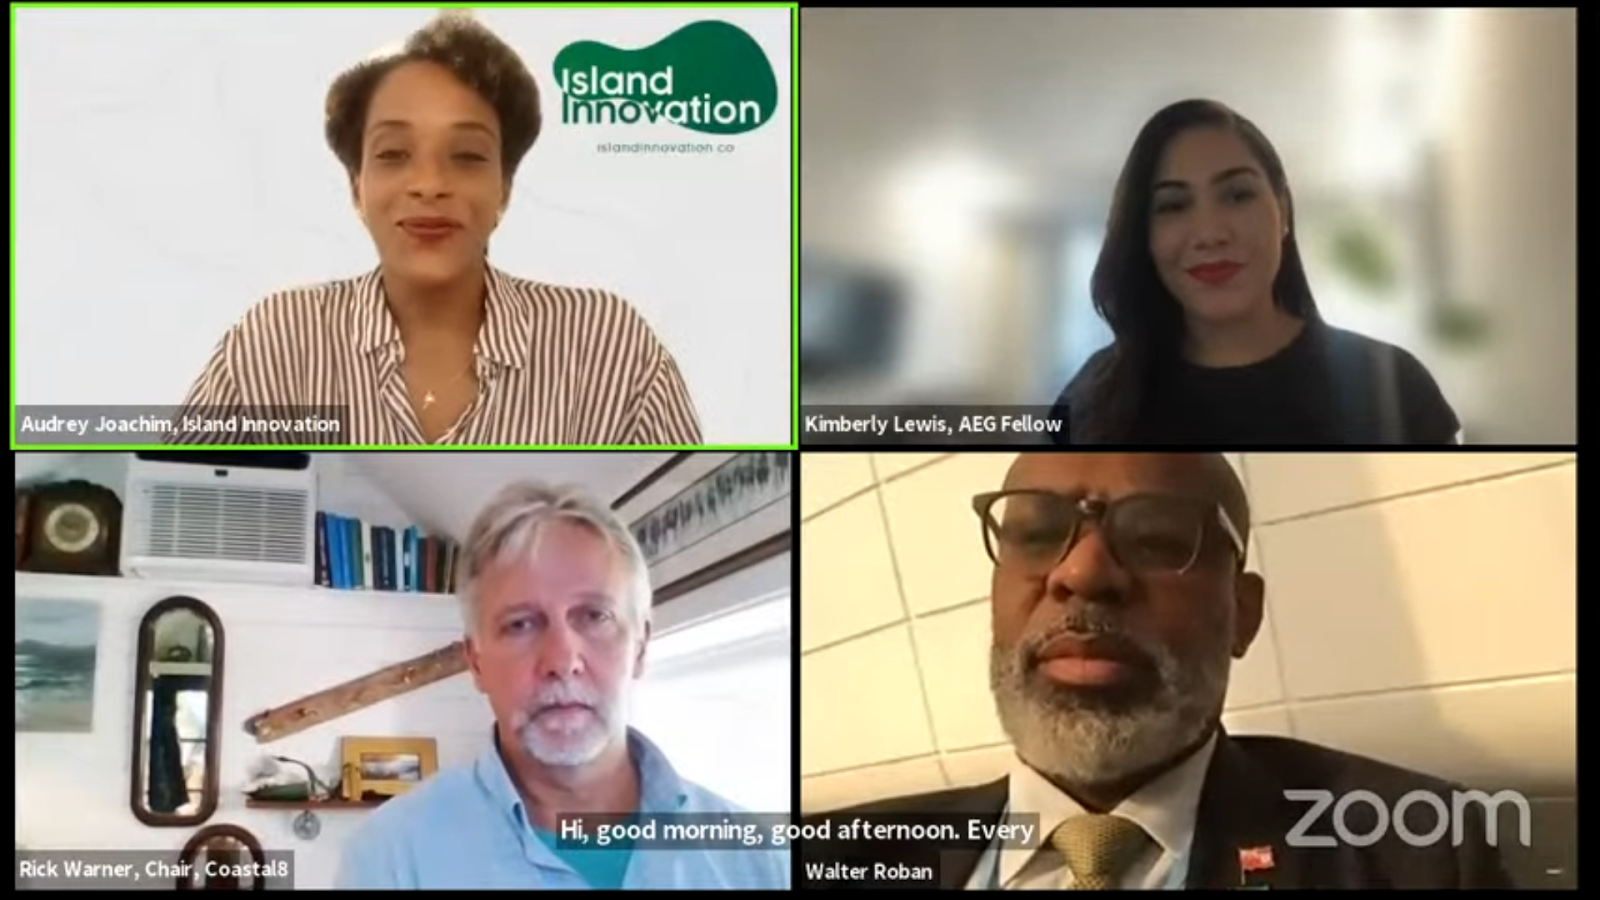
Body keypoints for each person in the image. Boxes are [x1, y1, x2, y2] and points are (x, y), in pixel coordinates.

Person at [799, 452, 1511, 889]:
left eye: (1158, 537)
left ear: (1243, 612)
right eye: (1037, 535)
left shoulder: (1419, 853)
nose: (1081, 573)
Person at [168, 12, 701, 446]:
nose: (429, 184)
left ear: (505, 190)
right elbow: (172, 489)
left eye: (467, 156)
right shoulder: (275, 338)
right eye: (394, 154)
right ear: (357, 187)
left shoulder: (613, 345)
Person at [336, 481, 788, 889]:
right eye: (520, 624)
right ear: (475, 662)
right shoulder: (388, 860)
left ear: (642, 646)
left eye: (594, 616)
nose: (562, 661)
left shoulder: (761, 859)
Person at [1050, 99, 1459, 445]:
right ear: (1145, 237)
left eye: (1237, 195)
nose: (1210, 234)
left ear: (1281, 209)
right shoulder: (1094, 396)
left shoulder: (1390, 384)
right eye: (1173, 206)